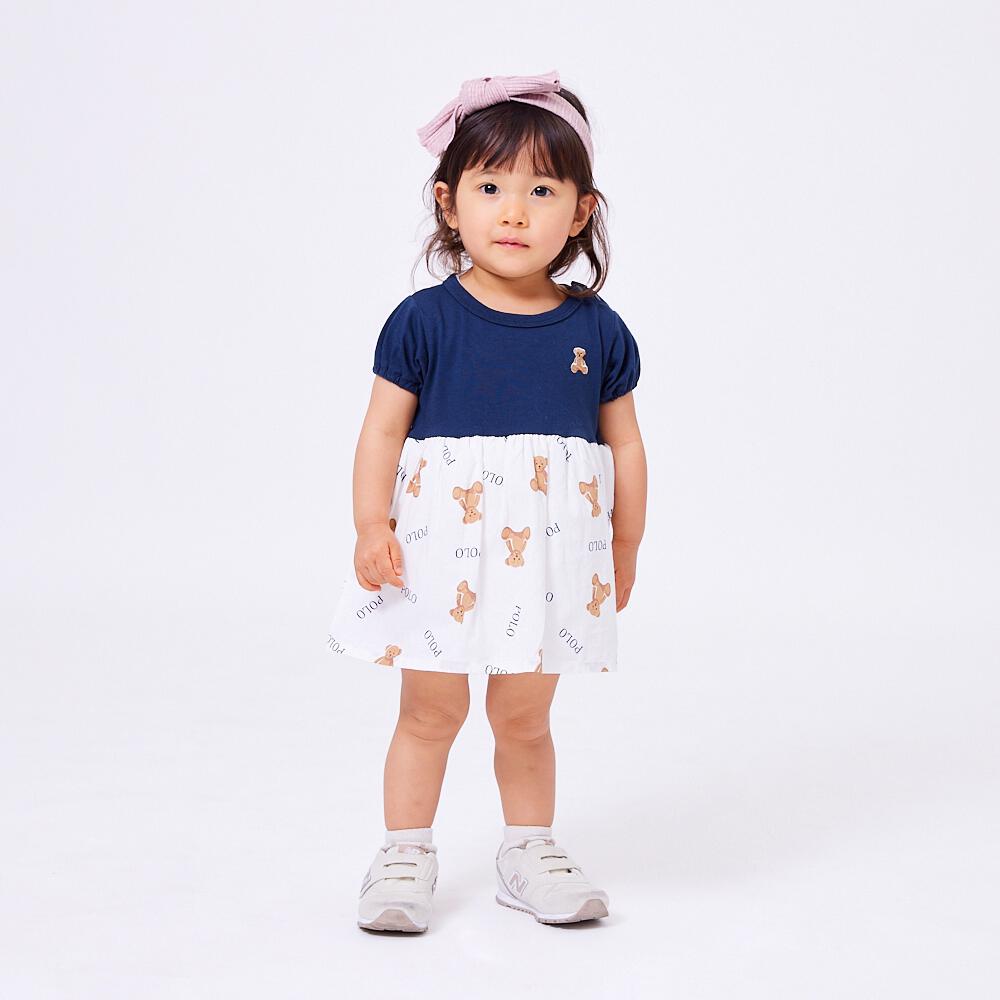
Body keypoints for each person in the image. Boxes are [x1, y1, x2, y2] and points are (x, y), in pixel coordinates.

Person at [325, 71, 647, 932]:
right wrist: (370, 524)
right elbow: (381, 432)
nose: (514, 212)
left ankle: (527, 848)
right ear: (449, 202)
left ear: (579, 212)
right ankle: (404, 853)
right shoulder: (425, 320)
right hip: (439, 551)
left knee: (524, 715)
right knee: (431, 708)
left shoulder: (596, 329)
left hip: (551, 557)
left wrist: (624, 545)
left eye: (542, 191)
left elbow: (625, 445)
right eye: (491, 187)